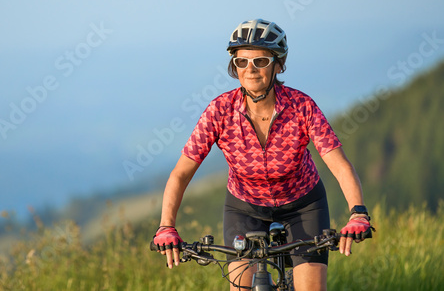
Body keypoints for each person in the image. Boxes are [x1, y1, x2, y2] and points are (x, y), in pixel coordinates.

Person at [153, 19, 374, 291]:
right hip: (244, 207)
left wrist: (358, 213)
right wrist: (166, 226)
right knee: (240, 288)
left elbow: (339, 165)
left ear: (278, 65)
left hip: (303, 205)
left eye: (260, 61)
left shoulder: (302, 107)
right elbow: (181, 173)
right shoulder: (220, 111)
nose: (250, 70)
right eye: (241, 61)